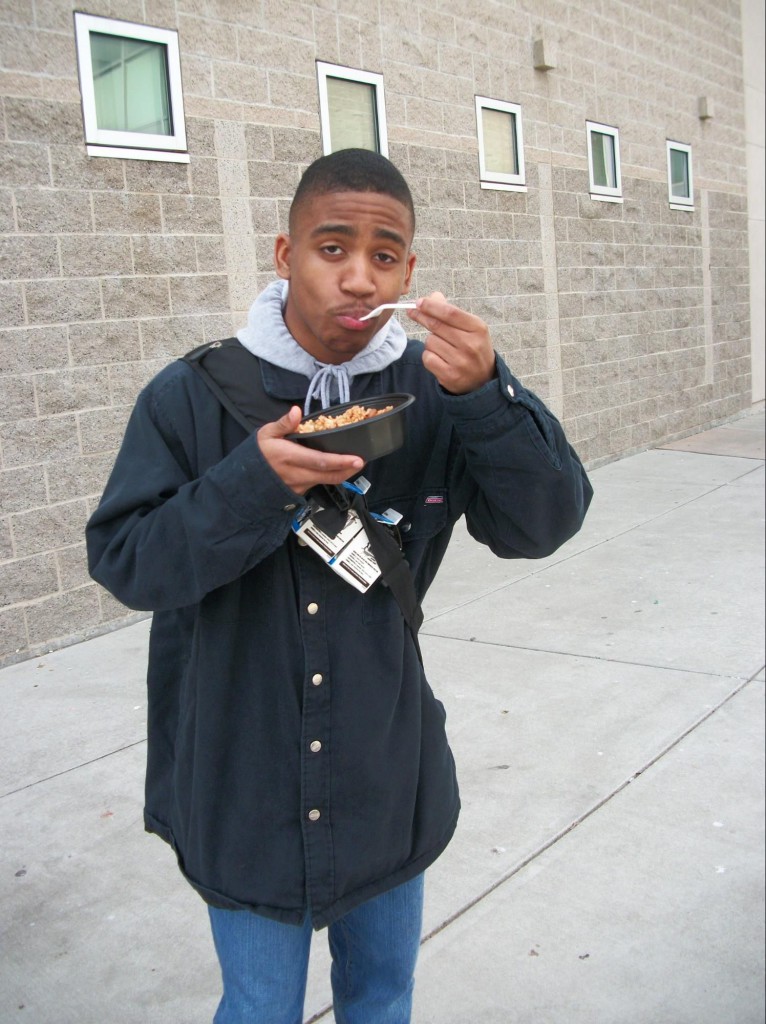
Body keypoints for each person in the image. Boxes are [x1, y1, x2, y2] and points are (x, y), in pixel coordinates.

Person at [86, 148, 593, 1024]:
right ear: (284, 255)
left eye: (384, 254)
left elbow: (541, 524)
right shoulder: (190, 397)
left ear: (409, 271)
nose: (358, 277)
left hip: (383, 773)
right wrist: (251, 484)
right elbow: (128, 561)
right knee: (258, 1009)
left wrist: (489, 394)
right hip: (240, 778)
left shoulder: (435, 395)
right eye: (331, 248)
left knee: (381, 999)